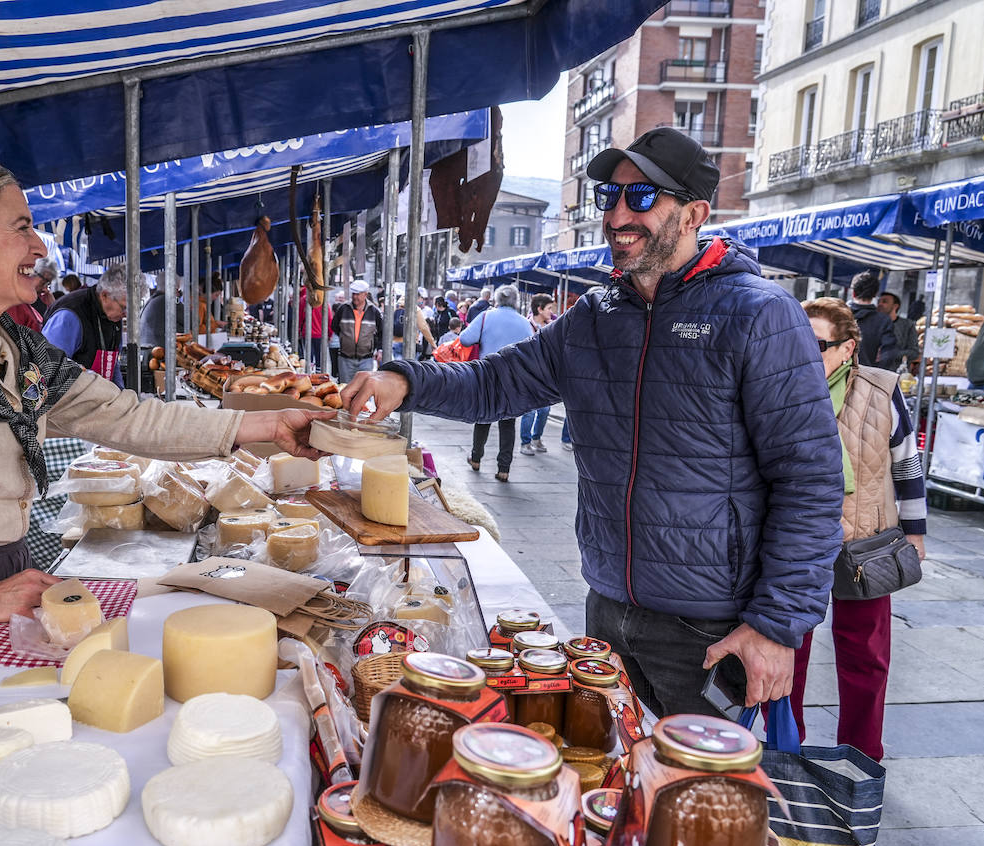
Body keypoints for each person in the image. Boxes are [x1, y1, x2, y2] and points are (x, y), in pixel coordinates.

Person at [0, 157, 330, 744]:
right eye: (21, 227)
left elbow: (124, 415)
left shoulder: (14, 350)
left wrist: (268, 425)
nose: (39, 245)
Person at [343, 127, 844, 716]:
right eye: (610, 197)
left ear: (694, 214)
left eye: (643, 198)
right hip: (607, 606)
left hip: (711, 624)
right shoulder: (597, 313)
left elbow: (809, 479)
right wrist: (406, 381)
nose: (618, 215)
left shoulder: (759, 313)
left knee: (690, 797)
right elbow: (497, 382)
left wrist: (778, 624)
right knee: (608, 777)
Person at [792, 298, 927, 762]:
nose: (805, 353)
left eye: (818, 344)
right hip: (794, 541)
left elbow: (906, 463)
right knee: (786, 650)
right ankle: (784, 748)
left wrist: (915, 532)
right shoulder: (778, 384)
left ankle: (862, 753)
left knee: (866, 658)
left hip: (866, 541)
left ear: (848, 348)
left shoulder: (882, 388)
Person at [459, 284, 534, 482]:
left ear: (497, 299)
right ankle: (504, 468)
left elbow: (465, 339)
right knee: (508, 422)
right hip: (514, 378)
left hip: (488, 375)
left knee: (484, 417)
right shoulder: (524, 323)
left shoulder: (485, 317)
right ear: (516, 302)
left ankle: (475, 458)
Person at [42, 265, 128, 387]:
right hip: (68, 400)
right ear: (104, 296)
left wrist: (121, 395)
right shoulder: (70, 315)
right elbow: (51, 366)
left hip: (97, 398)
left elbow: (113, 366)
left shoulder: (113, 316)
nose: (126, 314)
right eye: (124, 307)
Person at [519, 293, 558, 455]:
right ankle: (525, 442)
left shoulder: (552, 325)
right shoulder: (526, 326)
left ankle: (537, 437)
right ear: (539, 309)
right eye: (548, 308)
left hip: (546, 375)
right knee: (529, 411)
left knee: (544, 410)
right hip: (529, 374)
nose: (551, 311)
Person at [330, 279, 382, 383]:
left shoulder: (374, 311)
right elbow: (334, 326)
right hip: (345, 358)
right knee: (345, 389)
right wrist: (345, 338)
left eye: (358, 294)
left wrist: (379, 349)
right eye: (353, 294)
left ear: (365, 294)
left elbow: (381, 332)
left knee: (363, 390)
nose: (355, 297)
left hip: (366, 359)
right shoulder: (343, 309)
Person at [848, 270, 900, 370]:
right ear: (875, 294)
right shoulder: (883, 321)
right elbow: (888, 354)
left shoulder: (838, 314)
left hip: (835, 378)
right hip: (866, 377)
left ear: (853, 293)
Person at [877, 290, 919, 369]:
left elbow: (914, 352)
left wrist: (890, 355)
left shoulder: (907, 325)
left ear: (895, 306)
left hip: (897, 373)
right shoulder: (873, 324)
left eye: (884, 302)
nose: (880, 304)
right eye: (879, 301)